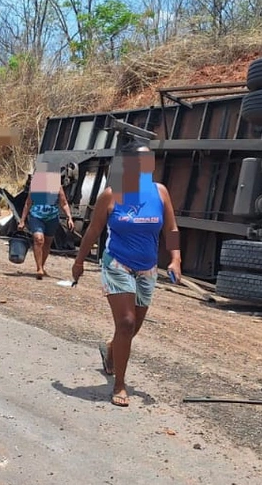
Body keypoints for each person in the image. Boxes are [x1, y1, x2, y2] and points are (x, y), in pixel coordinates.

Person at [71, 137, 181, 407]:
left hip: (147, 268)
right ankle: (119, 385)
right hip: (117, 263)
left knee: (133, 328)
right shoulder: (112, 193)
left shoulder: (160, 192)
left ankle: (112, 349)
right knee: (127, 323)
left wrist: (176, 258)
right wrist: (79, 261)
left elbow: (171, 229)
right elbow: (94, 230)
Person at [19, 174, 75, 280]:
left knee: (47, 242)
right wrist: (22, 220)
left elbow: (64, 203)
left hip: (52, 218)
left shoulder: (57, 186)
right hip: (36, 216)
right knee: (39, 239)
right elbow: (28, 203)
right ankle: (39, 268)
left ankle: (42, 265)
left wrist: (69, 217)